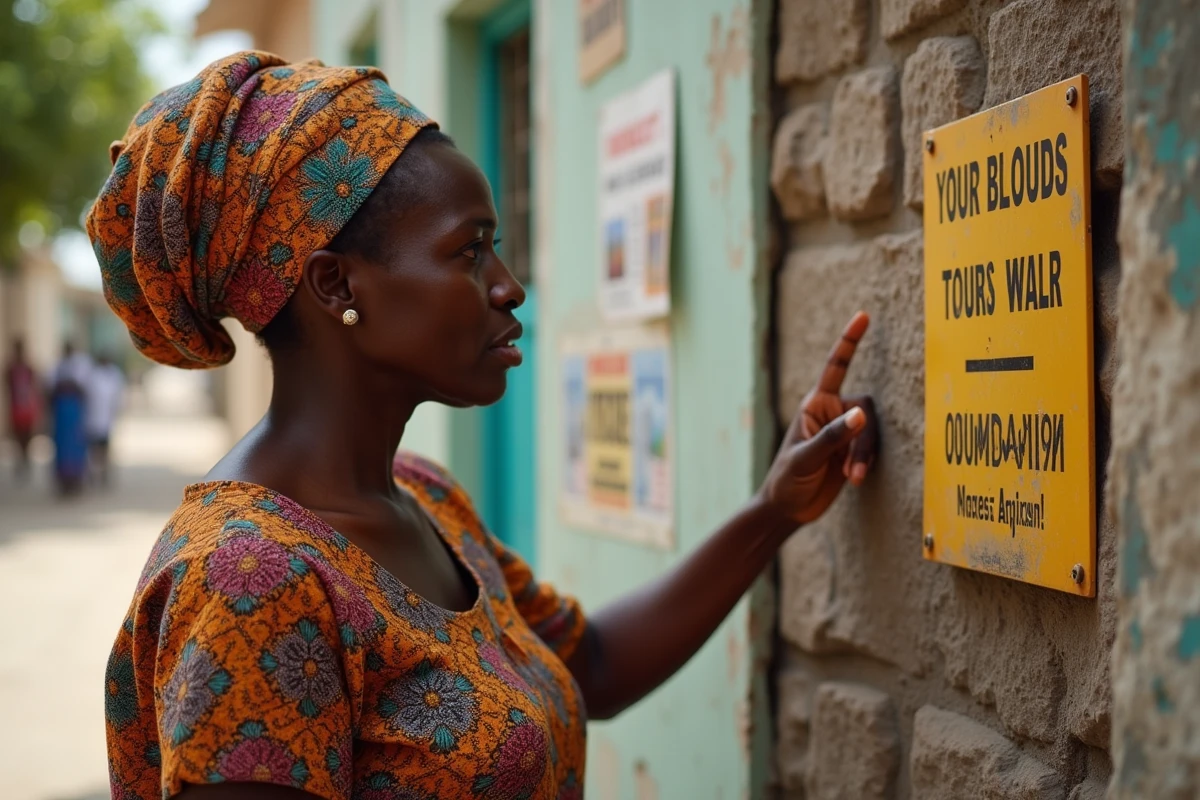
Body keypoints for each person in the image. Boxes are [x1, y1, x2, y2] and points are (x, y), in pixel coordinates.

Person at [88, 53, 879, 800]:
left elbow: (592, 666)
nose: (509, 287)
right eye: (468, 253)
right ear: (336, 286)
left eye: (494, 248)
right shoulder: (248, 579)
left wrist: (774, 510)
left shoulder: (425, 498)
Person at [49, 342, 91, 494]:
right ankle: (63, 482)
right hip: (61, 414)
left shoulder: (80, 366)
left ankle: (77, 481)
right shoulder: (57, 367)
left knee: (76, 446)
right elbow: (50, 389)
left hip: (75, 413)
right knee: (62, 447)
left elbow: (84, 389)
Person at [85, 353, 125, 486]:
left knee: (105, 448)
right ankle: (93, 473)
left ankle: (104, 474)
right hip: (93, 418)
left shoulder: (114, 374)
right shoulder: (93, 375)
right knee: (94, 449)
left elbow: (117, 396)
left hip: (107, 419)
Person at [4, 338, 39, 481]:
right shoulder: (10, 369)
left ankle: (25, 459)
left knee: (27, 435)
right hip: (16, 407)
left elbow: (34, 386)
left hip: (26, 408)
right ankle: (21, 460)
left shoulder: (28, 368)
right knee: (18, 436)